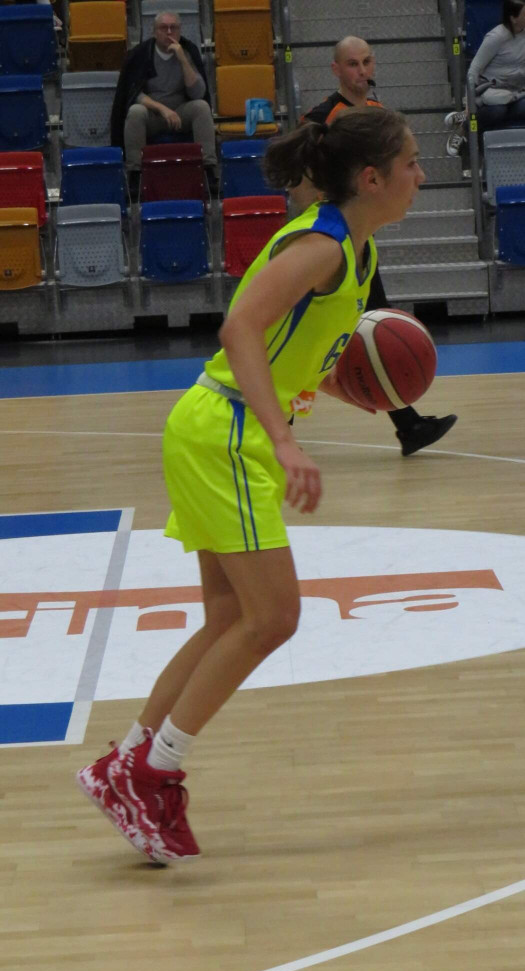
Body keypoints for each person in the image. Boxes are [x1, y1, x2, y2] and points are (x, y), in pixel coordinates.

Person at [77, 106, 426, 863]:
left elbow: (289, 346)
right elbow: (239, 328)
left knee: (229, 618)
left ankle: (126, 763)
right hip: (226, 432)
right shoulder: (321, 245)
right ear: (371, 179)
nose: (420, 175)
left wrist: (345, 388)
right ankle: (152, 772)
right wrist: (284, 437)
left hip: (222, 431)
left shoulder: (356, 247)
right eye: (411, 163)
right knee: (273, 618)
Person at [301, 35, 457, 456]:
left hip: (358, 237)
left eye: (367, 62)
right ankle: (406, 424)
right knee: (318, 333)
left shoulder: (378, 114)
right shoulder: (321, 117)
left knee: (372, 322)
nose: (361, 71)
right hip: (329, 238)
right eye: (352, 64)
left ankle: (408, 425)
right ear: (336, 70)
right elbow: (301, 183)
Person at [110, 11, 218, 197]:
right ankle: (135, 173)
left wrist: (182, 59)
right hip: (153, 114)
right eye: (163, 28)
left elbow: (198, 93)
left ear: (180, 31)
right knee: (135, 111)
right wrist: (162, 109)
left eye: (173, 28)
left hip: (181, 113)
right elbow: (134, 94)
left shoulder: (188, 51)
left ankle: (208, 169)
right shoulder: (141, 54)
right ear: (154, 32)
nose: (169, 32)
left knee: (201, 107)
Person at [445, 0, 525, 156]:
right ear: (513, 18)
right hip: (492, 92)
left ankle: (467, 116)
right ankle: (464, 128)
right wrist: (468, 103)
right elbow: (473, 71)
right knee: (497, 112)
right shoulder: (496, 37)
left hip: (516, 93)